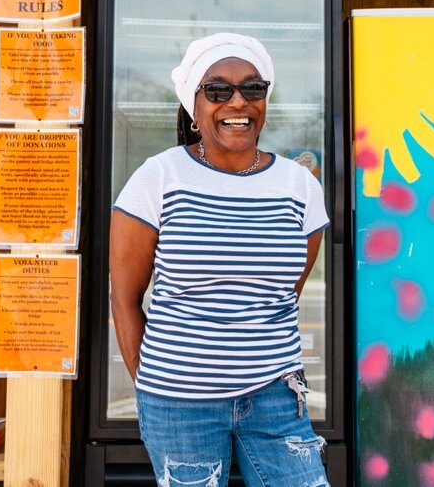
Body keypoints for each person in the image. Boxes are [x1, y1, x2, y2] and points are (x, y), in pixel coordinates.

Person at [110, 32, 330, 487]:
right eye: (217, 90)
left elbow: (285, 292)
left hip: (276, 398)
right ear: (195, 105)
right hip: (178, 405)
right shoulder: (159, 176)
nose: (237, 102)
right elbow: (125, 298)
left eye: (253, 88)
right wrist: (155, 384)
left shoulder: (299, 185)